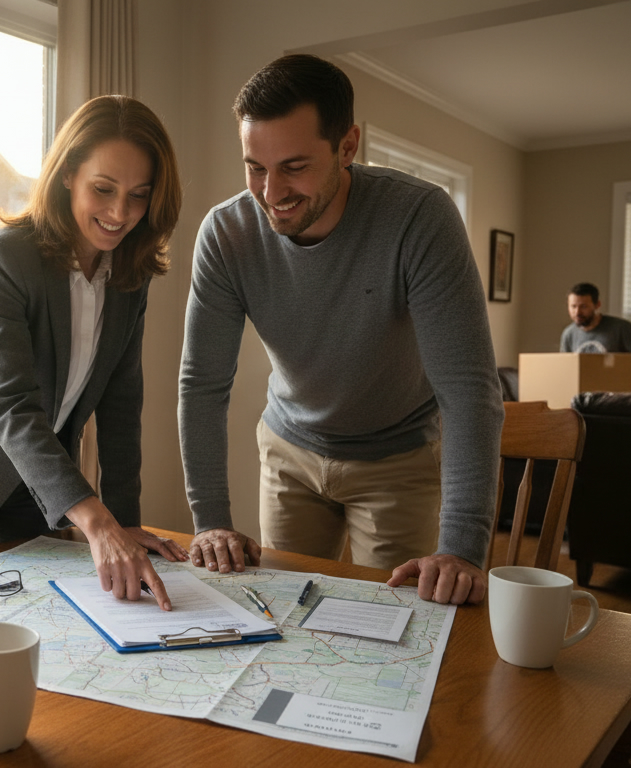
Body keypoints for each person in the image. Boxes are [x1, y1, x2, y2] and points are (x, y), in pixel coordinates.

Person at [178, 54, 504, 605]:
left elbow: (468, 390)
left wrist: (462, 547)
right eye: (256, 167)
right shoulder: (226, 233)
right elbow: (202, 383)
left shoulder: (420, 218)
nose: (271, 192)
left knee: (401, 620)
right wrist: (209, 520)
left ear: (347, 146)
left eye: (294, 166)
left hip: (397, 458)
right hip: (290, 450)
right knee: (285, 614)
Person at [0, 95, 188, 610]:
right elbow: (12, 405)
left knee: (43, 614)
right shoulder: (1, 259)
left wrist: (123, 521)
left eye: (138, 196)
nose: (120, 213)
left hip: (39, 477)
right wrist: (98, 524)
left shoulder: (129, 277)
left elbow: (121, 404)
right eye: (103, 189)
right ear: (68, 173)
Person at [561, 282, 631, 377]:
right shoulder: (569, 333)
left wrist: (626, 377)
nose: (577, 312)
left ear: (597, 305)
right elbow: (565, 368)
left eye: (584, 307)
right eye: (573, 306)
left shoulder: (621, 327)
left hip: (616, 388)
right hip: (583, 388)